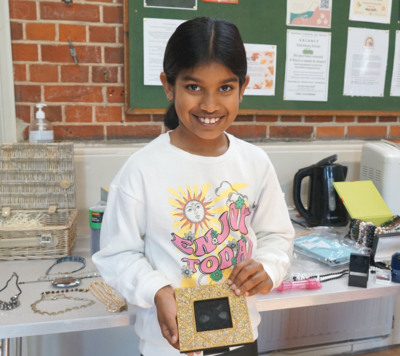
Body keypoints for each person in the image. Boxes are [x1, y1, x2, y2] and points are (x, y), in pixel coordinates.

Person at [92, 17, 294, 356]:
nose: (210, 105)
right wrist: (157, 290)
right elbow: (117, 253)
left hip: (239, 337)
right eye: (194, 87)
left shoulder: (255, 163)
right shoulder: (142, 169)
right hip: (169, 343)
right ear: (169, 87)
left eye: (225, 88)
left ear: (243, 87)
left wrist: (269, 266)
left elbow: (277, 235)